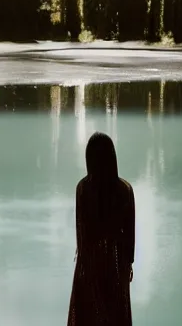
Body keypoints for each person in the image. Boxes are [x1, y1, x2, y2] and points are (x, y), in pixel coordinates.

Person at [67, 132, 135, 326]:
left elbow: (82, 231)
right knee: (115, 315)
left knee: (88, 315)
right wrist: (128, 263)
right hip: (116, 261)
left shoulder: (83, 188)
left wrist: (82, 266)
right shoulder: (125, 190)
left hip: (90, 263)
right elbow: (129, 231)